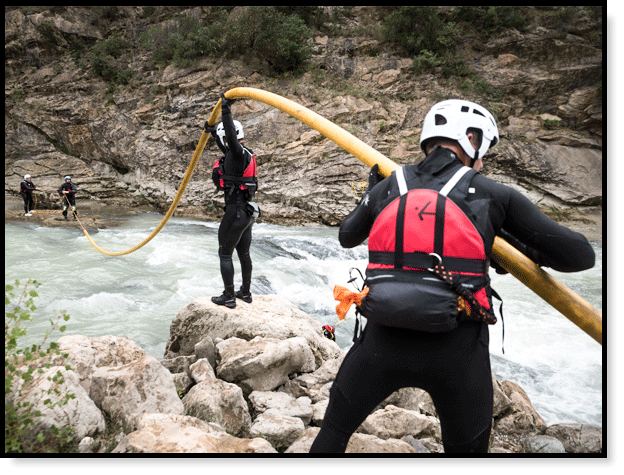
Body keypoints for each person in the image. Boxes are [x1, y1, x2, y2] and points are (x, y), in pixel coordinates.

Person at [309, 99, 595, 454]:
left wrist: (371, 193)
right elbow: (580, 256)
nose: (483, 161)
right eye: (483, 150)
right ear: (471, 139)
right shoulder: (493, 194)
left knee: (333, 433)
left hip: (381, 344)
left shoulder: (388, 187)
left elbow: (347, 236)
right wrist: (512, 245)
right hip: (456, 355)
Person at [207, 94, 259, 309]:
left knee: (225, 253)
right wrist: (213, 133)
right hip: (247, 213)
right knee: (244, 253)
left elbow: (229, 139)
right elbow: (227, 145)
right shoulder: (244, 154)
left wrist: (226, 110)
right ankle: (245, 292)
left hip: (235, 213)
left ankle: (228, 297)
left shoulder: (236, 152)